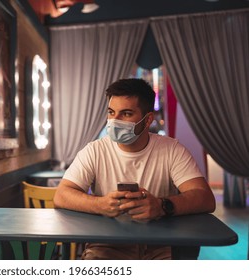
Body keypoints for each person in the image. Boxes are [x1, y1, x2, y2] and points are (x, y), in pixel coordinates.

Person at [53, 78, 216, 260]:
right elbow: (61, 195)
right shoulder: (94, 150)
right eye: (111, 112)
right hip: (107, 243)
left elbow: (206, 198)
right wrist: (100, 205)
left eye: (126, 113)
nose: (114, 121)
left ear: (147, 121)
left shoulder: (171, 150)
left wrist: (162, 206)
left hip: (161, 243)